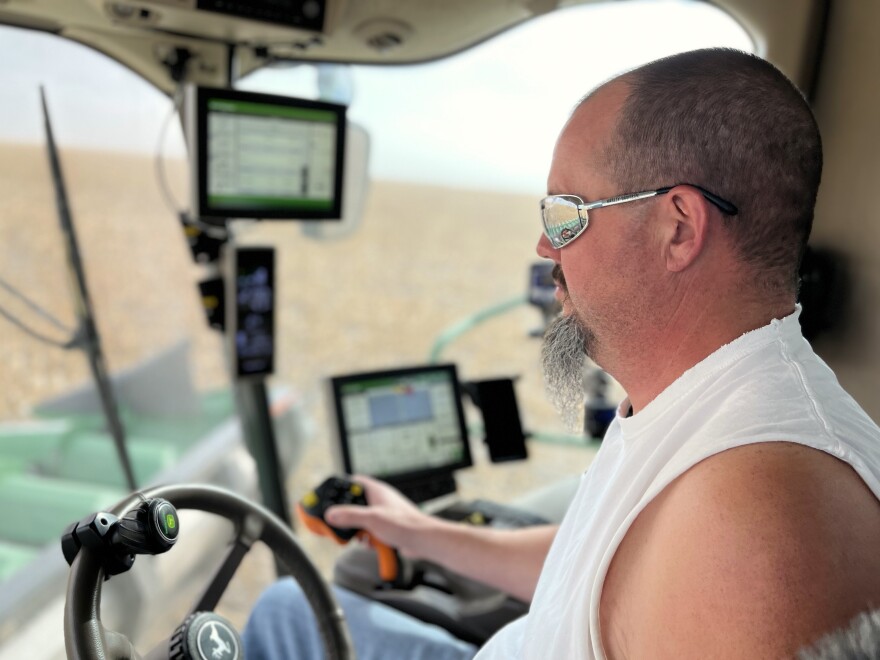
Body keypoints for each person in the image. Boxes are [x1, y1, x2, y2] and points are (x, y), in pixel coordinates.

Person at [243, 47, 880, 659]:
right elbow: (599, 569)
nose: (546, 247)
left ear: (678, 228)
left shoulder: (753, 519)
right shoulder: (701, 405)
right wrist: (422, 534)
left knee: (281, 613)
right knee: (286, 607)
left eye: (565, 213)